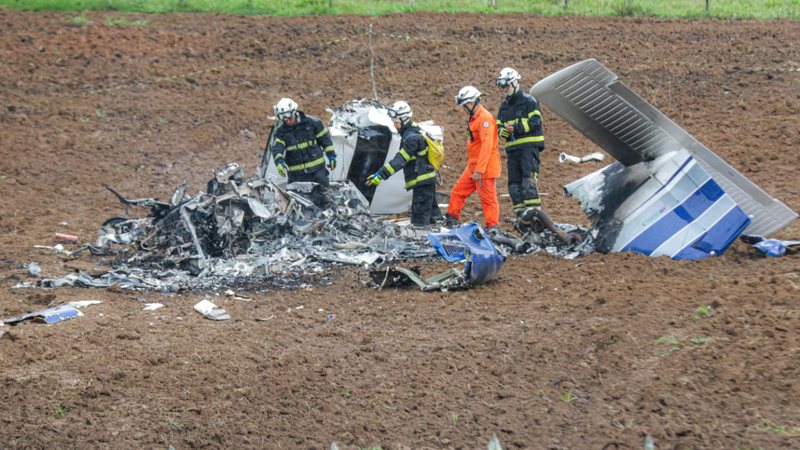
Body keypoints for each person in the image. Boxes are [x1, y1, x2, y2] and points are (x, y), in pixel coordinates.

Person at [365, 101, 440, 227]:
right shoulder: (414, 130)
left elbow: (399, 160)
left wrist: (380, 175)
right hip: (426, 181)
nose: (395, 126)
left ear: (404, 119)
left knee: (419, 218)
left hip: (422, 182)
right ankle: (442, 234)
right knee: (433, 215)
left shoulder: (411, 137)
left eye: (396, 123)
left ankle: (425, 242)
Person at [446, 86, 501, 232]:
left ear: (471, 103)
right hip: (473, 167)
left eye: (465, 105)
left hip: (483, 169)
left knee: (488, 200)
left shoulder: (485, 119)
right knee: (458, 192)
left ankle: (493, 227)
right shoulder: (476, 118)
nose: (464, 108)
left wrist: (480, 170)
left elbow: (487, 146)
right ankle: (451, 219)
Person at [268, 98, 337, 208]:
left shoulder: (313, 123)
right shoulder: (280, 132)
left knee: (325, 203)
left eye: (289, 118)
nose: (288, 122)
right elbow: (277, 149)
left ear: (294, 112)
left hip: (317, 173)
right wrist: (279, 162)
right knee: (300, 207)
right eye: (284, 120)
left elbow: (325, 140)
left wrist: (332, 156)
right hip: (297, 177)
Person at [495, 67, 545, 215]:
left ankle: (534, 215)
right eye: (502, 87)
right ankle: (520, 216)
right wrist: (502, 132)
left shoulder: (529, 101)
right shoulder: (504, 107)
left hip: (529, 148)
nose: (504, 89)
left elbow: (536, 121)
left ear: (515, 83)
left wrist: (515, 128)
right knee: (514, 184)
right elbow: (498, 126)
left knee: (528, 180)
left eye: (506, 86)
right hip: (512, 150)